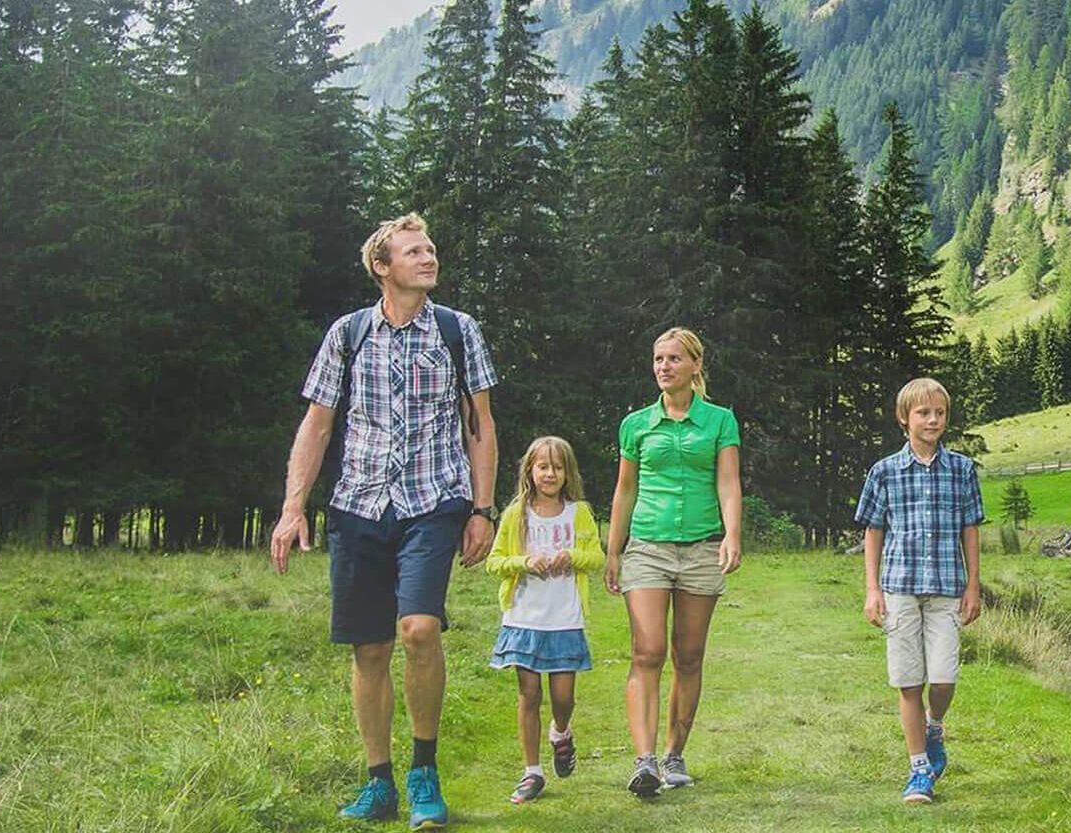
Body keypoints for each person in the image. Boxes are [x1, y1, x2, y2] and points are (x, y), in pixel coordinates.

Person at [270, 213, 500, 829]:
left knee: (419, 630)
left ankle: (424, 770)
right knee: (368, 649)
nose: (428, 258)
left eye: (431, 248)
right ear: (382, 267)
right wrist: (294, 506)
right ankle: (379, 783)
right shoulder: (347, 334)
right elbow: (317, 424)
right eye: (413, 251)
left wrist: (482, 508)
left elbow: (480, 426)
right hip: (358, 505)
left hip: (434, 500)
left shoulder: (458, 330)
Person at [602, 327, 742, 798]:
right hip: (647, 548)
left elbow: (727, 482)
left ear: (695, 365)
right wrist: (613, 550)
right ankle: (644, 762)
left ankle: (674, 754)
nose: (664, 366)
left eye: (674, 359)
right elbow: (625, 490)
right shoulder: (636, 425)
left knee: (689, 655)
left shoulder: (720, 421)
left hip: (702, 548)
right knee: (647, 651)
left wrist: (732, 534)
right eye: (659, 359)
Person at [856, 378, 985, 805]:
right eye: (923, 413)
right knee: (908, 680)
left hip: (948, 587)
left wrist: (973, 586)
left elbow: (971, 529)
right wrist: (872, 589)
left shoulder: (962, 470)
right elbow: (873, 531)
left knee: (944, 677)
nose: (932, 420)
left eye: (940, 413)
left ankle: (935, 725)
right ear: (904, 418)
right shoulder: (885, 471)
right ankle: (919, 770)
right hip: (900, 588)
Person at [484, 436, 603, 804]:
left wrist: (572, 557)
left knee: (563, 696)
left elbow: (595, 557)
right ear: (530, 471)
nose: (550, 474)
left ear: (567, 473)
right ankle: (531, 771)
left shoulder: (578, 512)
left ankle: (561, 731)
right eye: (543, 466)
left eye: (557, 467)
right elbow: (494, 562)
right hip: (524, 618)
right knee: (529, 694)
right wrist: (523, 563)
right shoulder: (515, 515)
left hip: (565, 619)